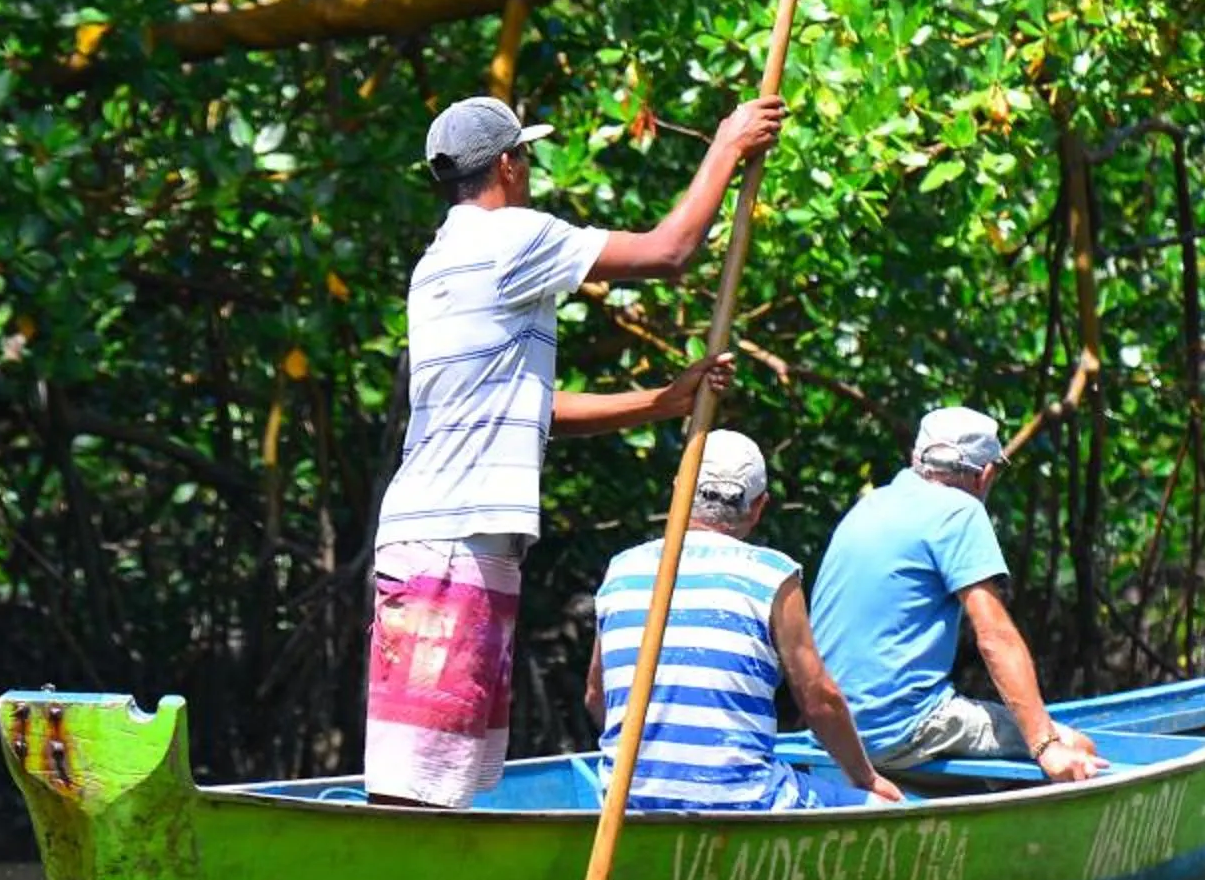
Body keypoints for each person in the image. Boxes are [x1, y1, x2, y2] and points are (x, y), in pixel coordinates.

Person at [366, 91, 785, 807]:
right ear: (508, 164)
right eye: (526, 155)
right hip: (451, 540)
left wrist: (660, 402)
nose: (529, 169)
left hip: (446, 536)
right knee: (420, 784)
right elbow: (669, 251)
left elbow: (534, 410)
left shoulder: (441, 258)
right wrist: (728, 144)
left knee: (442, 773)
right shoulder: (508, 238)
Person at [584, 430, 903, 811]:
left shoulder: (622, 568)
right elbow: (819, 699)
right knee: (884, 806)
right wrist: (865, 777)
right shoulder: (773, 574)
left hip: (624, 800)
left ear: (678, 489)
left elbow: (596, 697)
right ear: (758, 506)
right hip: (743, 798)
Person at [806, 407, 1108, 782]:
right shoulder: (959, 510)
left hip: (831, 731)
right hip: (899, 731)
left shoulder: (870, 504)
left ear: (917, 460)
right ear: (985, 475)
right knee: (1080, 748)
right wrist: (1047, 745)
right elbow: (995, 637)